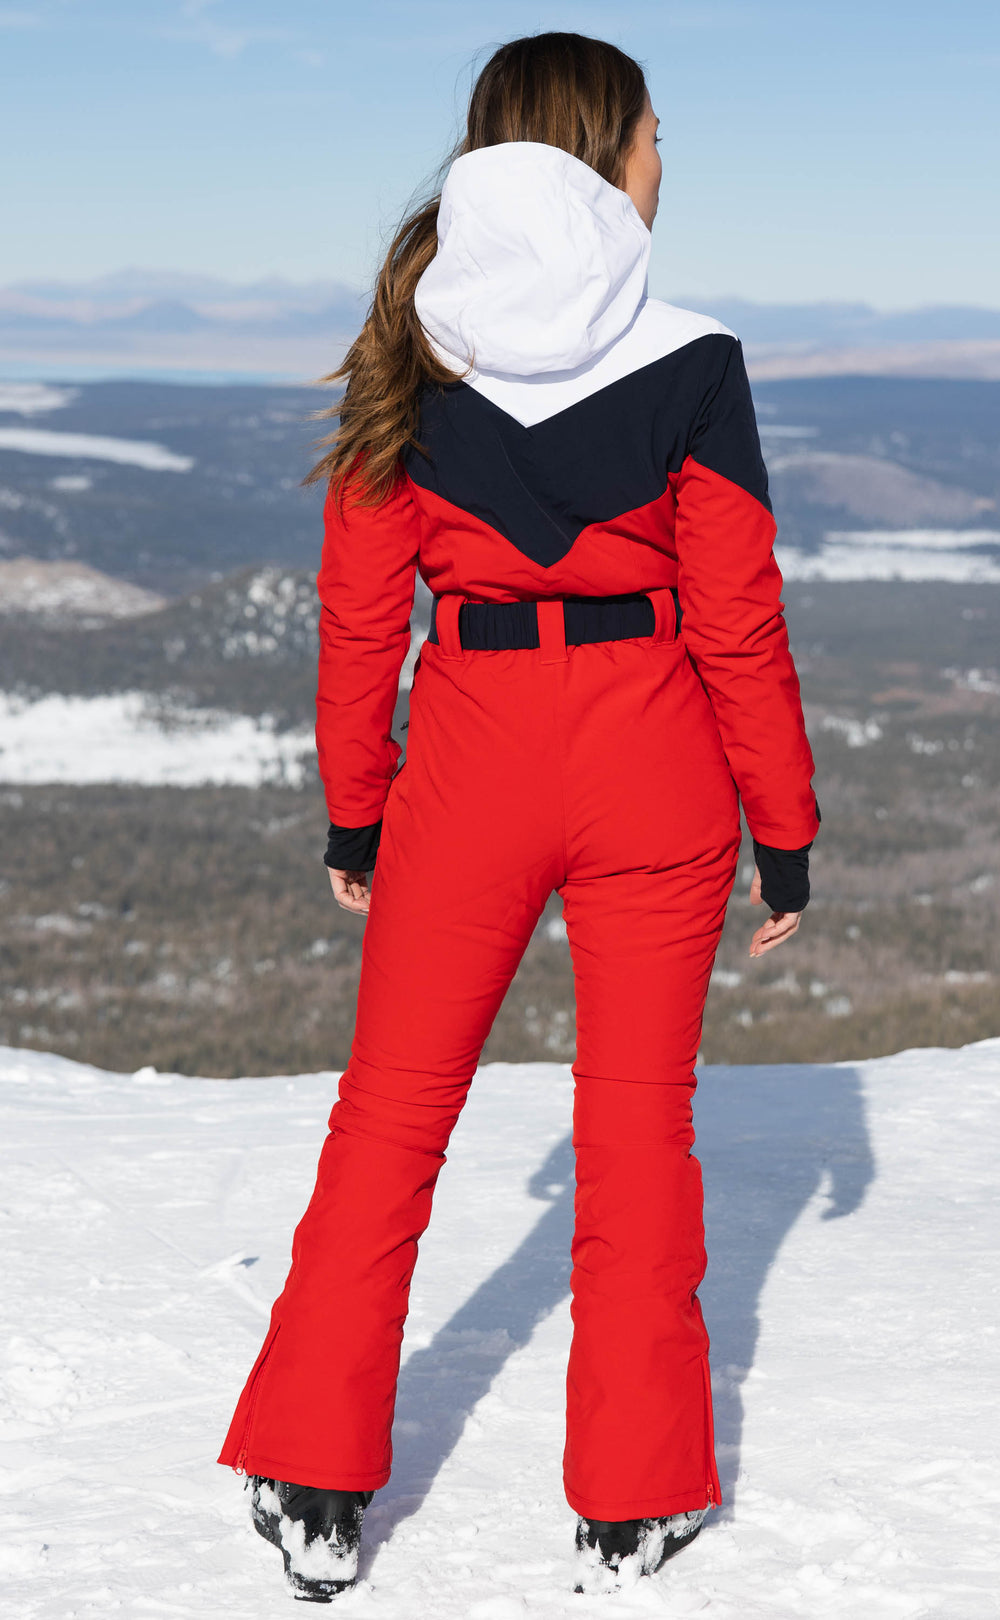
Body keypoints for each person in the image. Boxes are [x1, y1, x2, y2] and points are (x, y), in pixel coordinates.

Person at [218, 30, 819, 1602]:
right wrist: (786, 823)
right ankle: (633, 1496)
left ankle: (309, 1472)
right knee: (637, 1136)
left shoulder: (409, 348)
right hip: (655, 762)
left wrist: (358, 812)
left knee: (391, 1118)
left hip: (469, 762)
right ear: (602, 152)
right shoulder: (694, 356)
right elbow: (741, 620)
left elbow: (360, 620)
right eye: (655, 136)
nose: (667, 162)